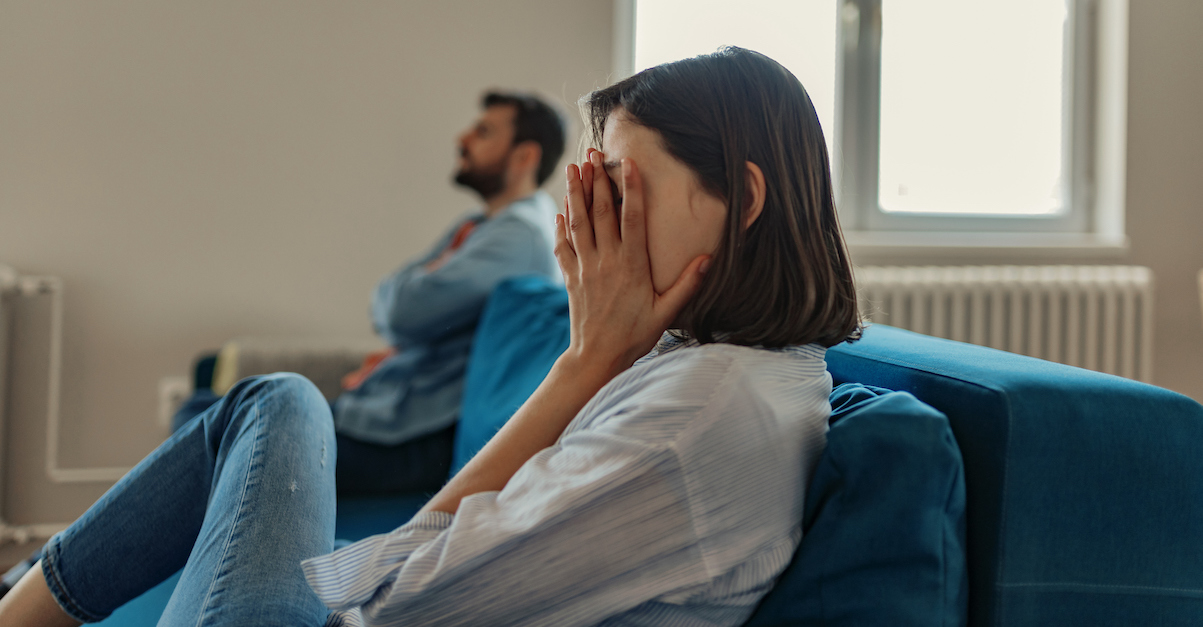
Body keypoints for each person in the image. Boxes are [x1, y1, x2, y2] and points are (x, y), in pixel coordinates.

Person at [0, 47, 860, 626]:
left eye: (622, 192)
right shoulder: (724, 369)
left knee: (274, 404)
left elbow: (386, 596)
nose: (595, 224)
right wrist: (594, 361)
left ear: (742, 202)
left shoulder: (699, 411)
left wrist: (581, 364)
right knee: (264, 410)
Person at [172, 90, 567, 495]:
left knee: (203, 419)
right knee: (205, 410)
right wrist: (407, 301)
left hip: (411, 437)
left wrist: (410, 298)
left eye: (483, 132)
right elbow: (391, 302)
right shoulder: (479, 226)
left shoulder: (521, 236)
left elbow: (399, 311)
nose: (462, 139)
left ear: (524, 157)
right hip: (387, 418)